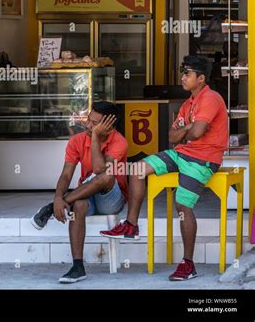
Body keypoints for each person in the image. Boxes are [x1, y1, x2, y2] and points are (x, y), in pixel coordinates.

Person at [100, 55, 228, 281]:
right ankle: (130, 225)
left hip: (204, 159)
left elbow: (197, 134)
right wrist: (190, 126)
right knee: (138, 169)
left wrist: (187, 129)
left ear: (201, 78)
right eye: (183, 73)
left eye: (187, 74)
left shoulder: (211, 98)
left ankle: (188, 264)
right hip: (181, 154)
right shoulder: (188, 104)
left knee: (182, 204)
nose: (183, 77)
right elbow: (172, 137)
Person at [30, 101, 128, 284]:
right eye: (89, 120)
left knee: (106, 176)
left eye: (95, 123)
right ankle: (77, 266)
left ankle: (50, 208)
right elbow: (66, 174)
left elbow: (100, 170)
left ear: (109, 125)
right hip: (86, 193)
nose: (89, 125)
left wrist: (96, 138)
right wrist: (58, 197)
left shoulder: (119, 141)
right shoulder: (77, 140)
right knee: (79, 205)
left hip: (111, 199)